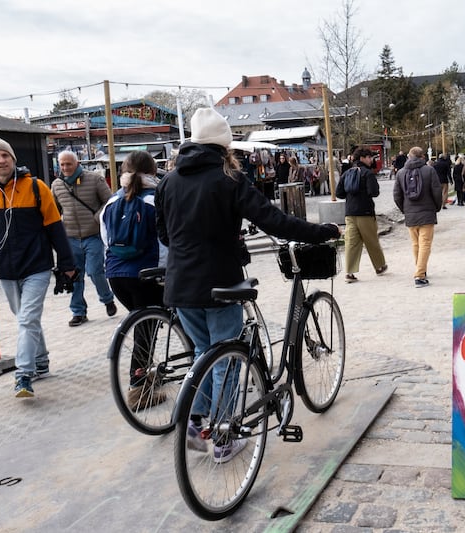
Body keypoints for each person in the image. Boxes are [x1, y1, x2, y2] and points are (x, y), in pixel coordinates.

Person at [155, 107, 340, 462]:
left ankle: (196, 422)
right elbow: (275, 222)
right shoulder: (230, 178)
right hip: (220, 283)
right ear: (224, 146)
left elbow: (163, 233)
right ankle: (224, 437)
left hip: (180, 285)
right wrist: (321, 232)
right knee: (226, 359)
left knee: (202, 353)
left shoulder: (169, 180)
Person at [0, 138, 76, 398]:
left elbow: (55, 228)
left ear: (13, 159)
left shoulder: (36, 188)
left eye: (5, 156)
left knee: (26, 319)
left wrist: (67, 264)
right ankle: (42, 361)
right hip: (5, 269)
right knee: (27, 318)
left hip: (37, 266)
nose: (1, 160)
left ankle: (23, 374)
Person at [100, 150, 166, 410]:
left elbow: (106, 240)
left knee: (144, 324)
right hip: (147, 274)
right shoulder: (155, 199)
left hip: (116, 277)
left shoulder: (112, 202)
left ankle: (146, 377)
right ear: (153, 171)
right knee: (149, 327)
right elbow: (166, 242)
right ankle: (138, 388)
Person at [52, 150, 117, 327]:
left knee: (95, 271)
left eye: (68, 164)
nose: (65, 167)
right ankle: (78, 312)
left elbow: (110, 202)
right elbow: (54, 211)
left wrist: (97, 217)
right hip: (70, 237)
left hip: (93, 235)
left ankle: (107, 299)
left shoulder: (95, 179)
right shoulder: (57, 185)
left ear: (77, 163)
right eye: (62, 164)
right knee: (73, 276)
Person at [393, 146, 442, 288]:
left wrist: (405, 209)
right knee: (425, 243)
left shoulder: (400, 173)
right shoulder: (429, 171)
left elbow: (397, 195)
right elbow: (437, 191)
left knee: (416, 244)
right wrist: (436, 207)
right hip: (427, 212)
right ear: (422, 157)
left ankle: (420, 269)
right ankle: (420, 275)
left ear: (409, 156)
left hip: (410, 214)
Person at [336, 147, 387, 283]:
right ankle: (379, 266)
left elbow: (339, 193)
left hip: (350, 213)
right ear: (362, 158)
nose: (371, 160)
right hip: (365, 212)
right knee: (371, 241)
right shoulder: (367, 173)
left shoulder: (347, 173)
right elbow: (374, 192)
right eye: (369, 157)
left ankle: (350, 273)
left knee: (351, 243)